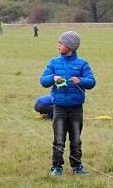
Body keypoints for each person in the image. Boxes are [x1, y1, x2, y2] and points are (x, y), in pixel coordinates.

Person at [39, 31, 96, 177]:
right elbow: (43, 80)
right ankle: (56, 167)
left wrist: (80, 81)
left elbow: (91, 82)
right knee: (59, 139)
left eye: (61, 43)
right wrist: (53, 77)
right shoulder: (54, 62)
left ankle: (77, 167)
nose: (58, 45)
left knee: (76, 140)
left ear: (70, 47)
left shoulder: (82, 64)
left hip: (76, 108)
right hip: (59, 108)